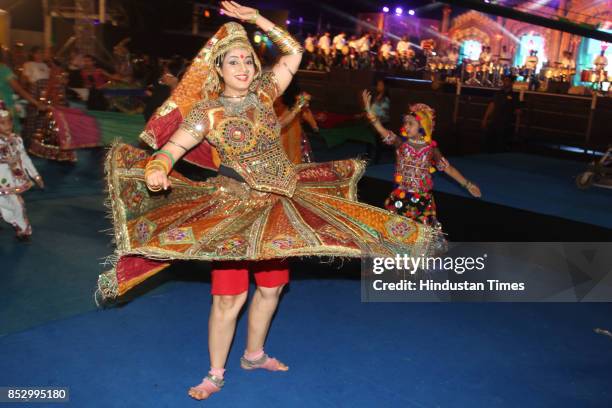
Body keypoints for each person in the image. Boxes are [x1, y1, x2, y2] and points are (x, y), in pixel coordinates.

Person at [97, 1, 437, 402]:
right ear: (218, 69)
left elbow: (294, 52)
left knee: (272, 289)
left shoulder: (264, 94)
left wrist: (257, 20)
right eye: (233, 62)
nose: (242, 67)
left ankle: (254, 355)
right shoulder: (208, 111)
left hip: (281, 202)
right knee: (229, 297)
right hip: (233, 208)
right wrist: (158, 165)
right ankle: (215, 373)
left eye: (248, 60)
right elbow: (173, 147)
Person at [362, 92, 481, 251]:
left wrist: (467, 184)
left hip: (422, 200)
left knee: (421, 236)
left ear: (422, 126)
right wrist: (372, 116)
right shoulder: (400, 144)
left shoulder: (431, 150)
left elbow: (448, 169)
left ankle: (417, 259)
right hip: (401, 196)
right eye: (405, 123)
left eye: (411, 123)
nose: (406, 126)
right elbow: (383, 132)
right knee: (396, 232)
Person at [0, 100, 44, 240]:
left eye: (9, 122)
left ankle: (23, 229)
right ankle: (10, 218)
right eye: (2, 122)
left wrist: (36, 176)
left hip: (13, 180)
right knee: (6, 204)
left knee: (17, 203)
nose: (8, 126)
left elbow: (25, 159)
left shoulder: (17, 140)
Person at [482, 74, 521, 152]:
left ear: (511, 83)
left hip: (506, 124)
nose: (504, 82)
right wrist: (485, 119)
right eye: (504, 80)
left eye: (507, 81)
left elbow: (518, 112)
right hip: (494, 121)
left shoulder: (515, 96)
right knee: (489, 143)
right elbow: (491, 106)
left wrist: (517, 127)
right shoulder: (498, 93)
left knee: (501, 145)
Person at [21, 47, 50, 141]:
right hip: (34, 89)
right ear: (33, 54)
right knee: (32, 114)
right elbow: (24, 79)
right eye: (37, 53)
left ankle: (38, 138)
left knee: (43, 115)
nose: (40, 55)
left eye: (41, 52)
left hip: (45, 90)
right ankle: (28, 138)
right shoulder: (28, 64)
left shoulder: (45, 65)